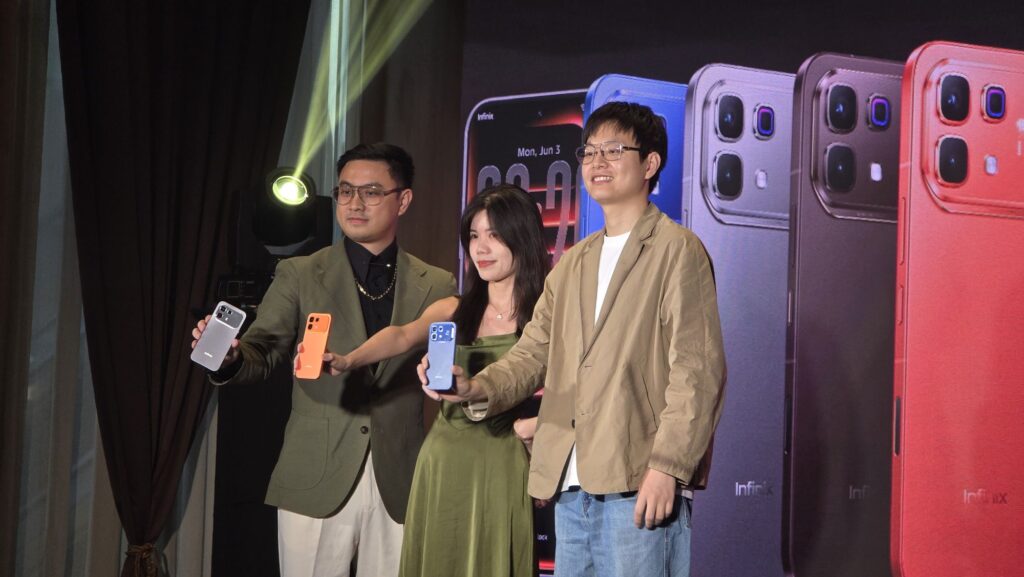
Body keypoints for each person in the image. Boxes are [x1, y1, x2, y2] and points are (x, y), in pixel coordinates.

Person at [431, 102, 727, 577]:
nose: (597, 162)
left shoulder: (677, 250)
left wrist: (668, 467)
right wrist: (475, 387)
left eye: (613, 150)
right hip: (571, 486)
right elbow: (533, 353)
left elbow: (698, 370)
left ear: (650, 164)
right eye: (588, 152)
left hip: (637, 481)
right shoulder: (573, 262)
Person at [191, 142, 457, 577]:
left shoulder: (438, 284)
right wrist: (229, 359)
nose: (355, 203)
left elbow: (446, 372)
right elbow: (261, 351)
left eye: (371, 192)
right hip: (315, 473)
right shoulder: (299, 272)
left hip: (401, 477)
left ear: (403, 200)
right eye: (345, 191)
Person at [315, 183, 548, 577]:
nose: (480, 248)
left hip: (503, 461)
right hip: (442, 458)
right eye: (473, 236)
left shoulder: (546, 316)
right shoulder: (455, 308)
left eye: (494, 235)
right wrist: (348, 360)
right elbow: (401, 335)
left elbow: (580, 393)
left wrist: (535, 429)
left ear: (522, 236)